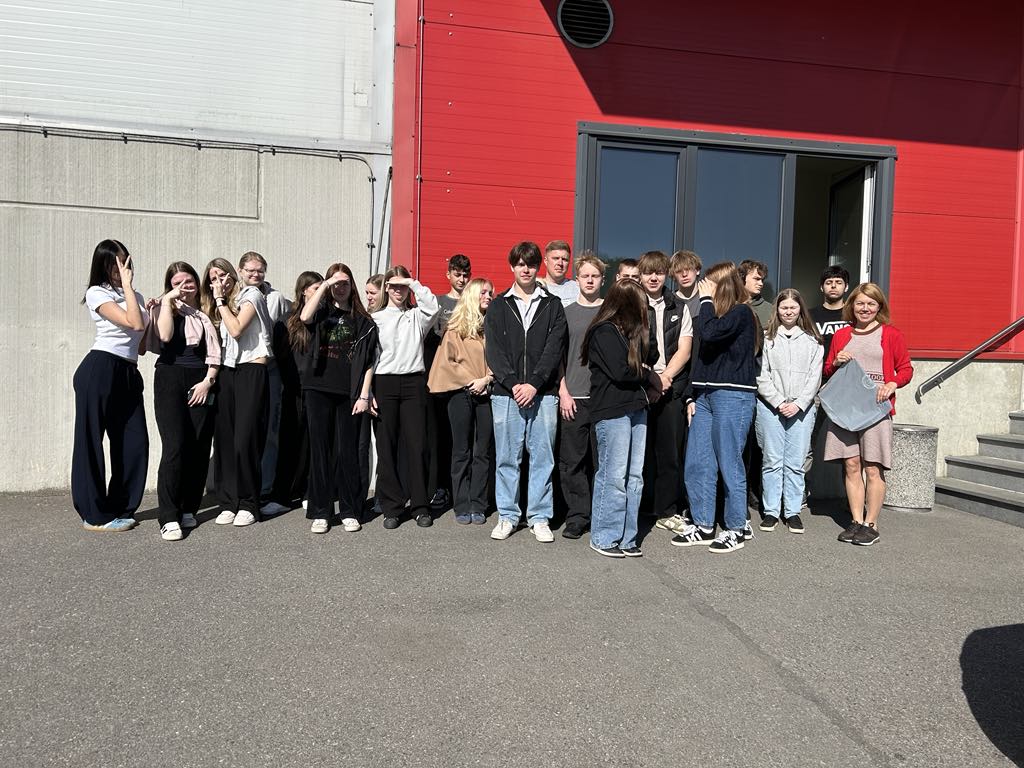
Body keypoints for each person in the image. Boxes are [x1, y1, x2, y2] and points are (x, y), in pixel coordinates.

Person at [672, 261, 760, 554]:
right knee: (698, 462)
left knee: (729, 462)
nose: (703, 288)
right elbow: (700, 355)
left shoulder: (741, 313)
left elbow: (710, 334)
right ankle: (703, 524)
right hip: (704, 395)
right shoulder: (709, 316)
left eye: (709, 283)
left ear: (724, 285)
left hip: (733, 395)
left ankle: (736, 528)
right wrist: (690, 396)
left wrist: (707, 300)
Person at [485, 241, 568, 543]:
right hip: (506, 394)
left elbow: (554, 349)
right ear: (512, 267)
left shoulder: (552, 305)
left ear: (537, 267)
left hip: (543, 393)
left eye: (531, 264)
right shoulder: (498, 305)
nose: (526, 269)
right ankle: (508, 515)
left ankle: (539, 517)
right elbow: (493, 350)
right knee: (508, 458)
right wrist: (512, 383)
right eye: (520, 264)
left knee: (543, 458)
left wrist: (534, 383)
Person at [824, 283, 913, 547]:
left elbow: (906, 369)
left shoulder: (891, 334)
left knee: (873, 467)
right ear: (852, 306)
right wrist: (836, 363)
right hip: (846, 409)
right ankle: (856, 520)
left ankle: (871, 524)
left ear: (879, 307)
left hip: (875, 409)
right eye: (860, 303)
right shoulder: (842, 335)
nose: (865, 308)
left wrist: (892, 383)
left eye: (871, 304)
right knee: (851, 465)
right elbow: (827, 370)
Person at [72, 239, 149, 532]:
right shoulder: (97, 292)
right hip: (100, 368)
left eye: (125, 259)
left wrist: (153, 308)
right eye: (115, 261)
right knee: (90, 440)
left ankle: (121, 507)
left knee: (134, 441)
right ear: (104, 264)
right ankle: (94, 516)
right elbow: (133, 323)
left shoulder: (136, 295)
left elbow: (140, 345)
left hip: (128, 370)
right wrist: (128, 288)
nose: (122, 266)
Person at [294, 263, 377, 534]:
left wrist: (364, 395)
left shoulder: (363, 321)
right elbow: (304, 316)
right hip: (318, 388)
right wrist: (325, 286)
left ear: (352, 286)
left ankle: (350, 510)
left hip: (349, 392)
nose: (340, 287)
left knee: (347, 451)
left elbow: (369, 361)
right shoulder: (321, 312)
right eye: (335, 283)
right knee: (320, 451)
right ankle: (321, 511)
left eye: (345, 283)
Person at [583, 279, 662, 558]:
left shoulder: (632, 333)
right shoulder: (603, 331)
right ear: (626, 304)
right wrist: (648, 374)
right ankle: (605, 537)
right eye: (641, 304)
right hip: (612, 410)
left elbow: (653, 355)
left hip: (636, 408)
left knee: (634, 476)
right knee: (613, 475)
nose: (645, 308)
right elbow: (621, 371)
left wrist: (648, 326)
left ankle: (627, 538)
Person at [145, 262, 221, 541]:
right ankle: (168, 516)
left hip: (201, 379)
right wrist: (167, 300)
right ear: (170, 286)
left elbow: (215, 353)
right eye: (177, 283)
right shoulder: (162, 307)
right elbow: (164, 335)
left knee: (199, 445)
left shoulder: (204, 313)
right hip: (169, 377)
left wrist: (207, 381)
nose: (184, 287)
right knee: (174, 446)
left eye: (188, 281)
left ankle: (189, 506)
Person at [202, 257, 274, 528]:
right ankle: (228, 502)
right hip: (227, 371)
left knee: (246, 439)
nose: (219, 281)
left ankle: (248, 503)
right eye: (213, 278)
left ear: (234, 274)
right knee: (225, 440)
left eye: (222, 275)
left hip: (251, 370)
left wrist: (220, 300)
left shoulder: (252, 295)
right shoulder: (223, 303)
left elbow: (235, 330)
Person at [372, 265, 440, 528]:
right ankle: (392, 507)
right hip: (384, 382)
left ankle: (420, 506)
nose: (398, 290)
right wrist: (368, 392)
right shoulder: (375, 318)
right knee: (386, 445)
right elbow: (370, 358)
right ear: (386, 287)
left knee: (417, 445)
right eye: (394, 285)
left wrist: (413, 283)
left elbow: (432, 307)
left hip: (413, 383)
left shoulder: (417, 316)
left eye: (403, 286)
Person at [754, 289, 823, 534]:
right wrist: (778, 401)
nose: (788, 312)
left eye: (793, 307)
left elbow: (815, 377)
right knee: (772, 461)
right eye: (784, 308)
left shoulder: (813, 341)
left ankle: (792, 511)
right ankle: (771, 511)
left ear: (800, 309)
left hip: (801, 409)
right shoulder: (767, 339)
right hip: (771, 408)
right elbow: (761, 374)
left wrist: (799, 403)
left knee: (795, 463)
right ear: (777, 310)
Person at [427, 278, 494, 524]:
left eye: (491, 293)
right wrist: (472, 380)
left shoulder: (494, 327)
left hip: (487, 393)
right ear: (472, 295)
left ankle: (479, 503)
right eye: (483, 292)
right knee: (461, 450)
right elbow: (447, 363)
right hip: (460, 394)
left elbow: (501, 359)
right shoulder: (455, 329)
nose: (488, 296)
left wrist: (486, 379)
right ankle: (462, 503)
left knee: (482, 451)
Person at [637, 251, 693, 533]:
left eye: (658, 272)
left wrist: (665, 377)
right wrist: (651, 379)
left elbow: (685, 349)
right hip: (640, 386)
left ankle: (666, 511)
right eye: (648, 272)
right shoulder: (633, 305)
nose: (653, 277)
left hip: (671, 389)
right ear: (641, 275)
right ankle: (640, 508)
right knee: (640, 452)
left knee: (669, 453)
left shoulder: (679, 307)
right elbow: (628, 348)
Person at [236, 252, 293, 518]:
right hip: (238, 368)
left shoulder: (275, 298)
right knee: (244, 431)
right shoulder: (233, 296)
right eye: (250, 270)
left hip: (268, 368)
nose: (255, 274)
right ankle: (241, 486)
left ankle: (265, 487)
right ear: (240, 270)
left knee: (270, 429)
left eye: (260, 270)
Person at [557, 251, 605, 539]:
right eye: (585, 276)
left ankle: (599, 516)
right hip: (573, 397)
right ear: (577, 280)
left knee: (601, 463)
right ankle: (577, 516)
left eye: (594, 276)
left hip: (602, 399)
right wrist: (563, 391)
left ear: (602, 280)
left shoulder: (610, 311)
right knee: (572, 462)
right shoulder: (566, 313)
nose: (589, 280)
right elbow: (558, 357)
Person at [425, 254, 472, 513]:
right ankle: (440, 487)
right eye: (457, 274)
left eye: (466, 275)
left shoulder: (473, 302)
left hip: (465, 380)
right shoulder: (438, 303)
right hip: (441, 380)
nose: (462, 279)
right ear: (448, 275)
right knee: (440, 436)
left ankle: (461, 490)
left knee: (463, 440)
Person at [810, 265, 851, 363]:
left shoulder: (854, 315)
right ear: (821, 287)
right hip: (818, 371)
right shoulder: (809, 316)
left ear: (846, 287)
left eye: (838, 282)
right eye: (828, 282)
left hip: (848, 370)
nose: (833, 286)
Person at [540, 240, 579, 306]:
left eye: (564, 259)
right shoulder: (537, 289)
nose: (560, 263)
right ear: (546, 261)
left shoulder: (578, 289)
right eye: (556, 258)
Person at [739, 259, 772, 328]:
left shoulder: (770, 310)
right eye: (756, 279)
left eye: (762, 280)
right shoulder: (728, 305)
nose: (761, 284)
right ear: (742, 277)